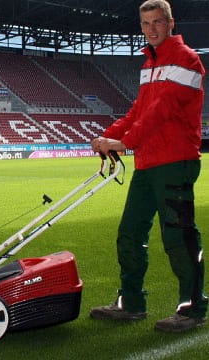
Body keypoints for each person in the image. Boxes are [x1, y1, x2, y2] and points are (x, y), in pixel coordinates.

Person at [90, 0, 207, 332]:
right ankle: (131, 303)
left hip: (175, 163)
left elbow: (162, 111)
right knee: (129, 234)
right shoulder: (149, 66)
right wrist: (107, 135)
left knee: (178, 237)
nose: (151, 28)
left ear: (171, 23)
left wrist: (124, 143)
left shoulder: (187, 61)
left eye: (157, 22)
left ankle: (192, 309)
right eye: (145, 23)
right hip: (147, 163)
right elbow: (138, 112)